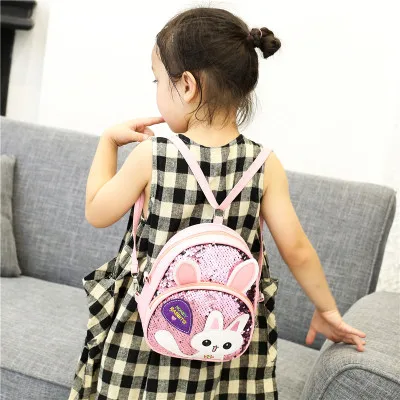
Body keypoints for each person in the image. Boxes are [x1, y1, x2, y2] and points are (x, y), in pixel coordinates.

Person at [69, 6, 366, 400]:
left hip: (147, 337)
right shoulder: (264, 164)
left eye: (158, 80)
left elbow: (96, 211)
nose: (156, 90)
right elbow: (296, 248)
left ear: (187, 85)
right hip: (228, 347)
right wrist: (327, 311)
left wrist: (108, 142)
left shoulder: (153, 155)